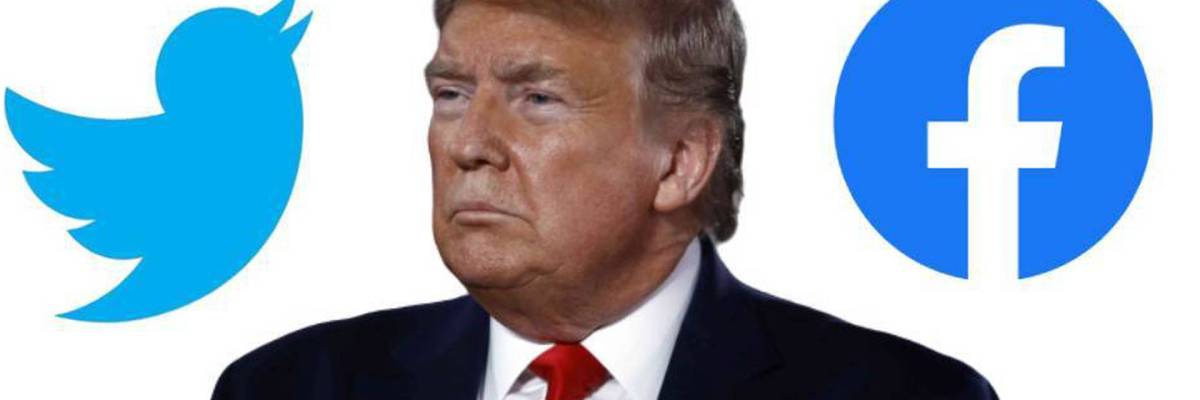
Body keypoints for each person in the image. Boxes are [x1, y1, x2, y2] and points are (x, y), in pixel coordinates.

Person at [213, 1, 998, 398]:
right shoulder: (288, 388)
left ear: (681, 162)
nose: (467, 144)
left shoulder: (904, 396)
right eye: (451, 93)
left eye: (537, 99)